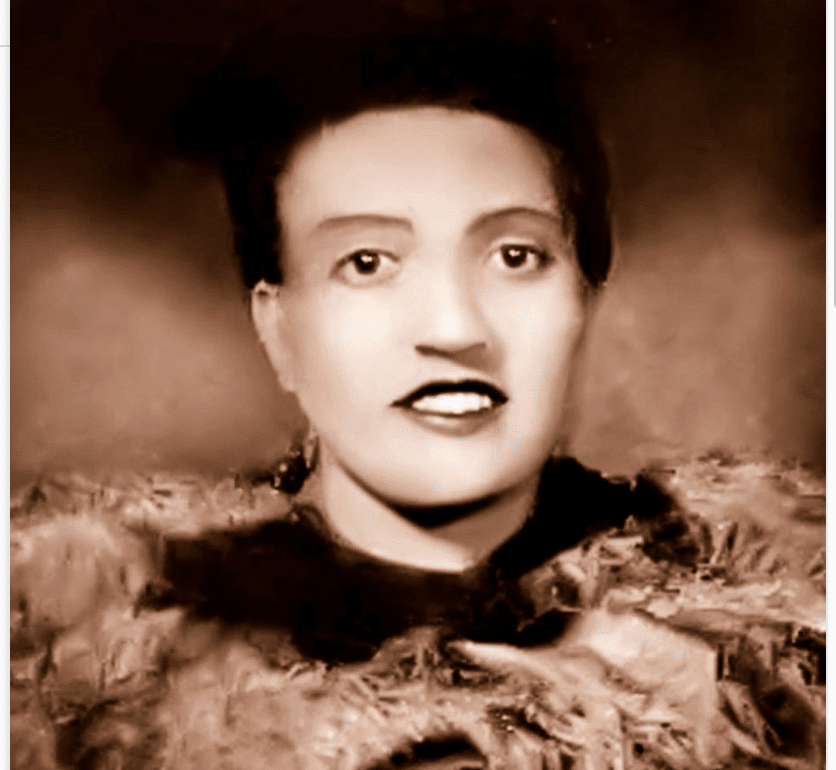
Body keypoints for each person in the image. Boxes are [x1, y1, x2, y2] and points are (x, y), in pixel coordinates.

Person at [10, 6, 825, 770]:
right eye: (367, 263)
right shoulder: (95, 648)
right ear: (279, 327)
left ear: (584, 293)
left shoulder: (760, 626)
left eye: (514, 256)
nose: (454, 327)